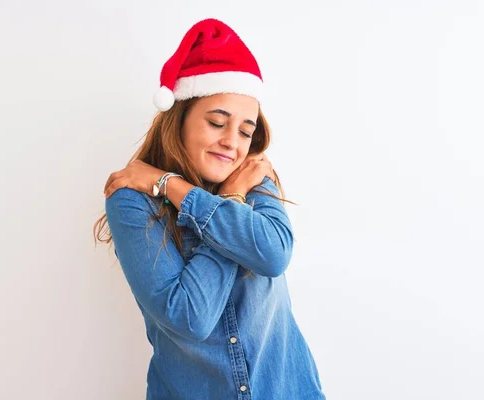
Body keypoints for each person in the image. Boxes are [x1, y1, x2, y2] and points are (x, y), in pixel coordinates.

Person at [94, 18, 326, 400]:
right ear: (179, 118)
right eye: (218, 122)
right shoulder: (131, 201)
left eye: (245, 131)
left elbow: (273, 254)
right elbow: (190, 316)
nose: (232, 143)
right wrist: (229, 202)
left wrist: (176, 188)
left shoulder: (252, 176)